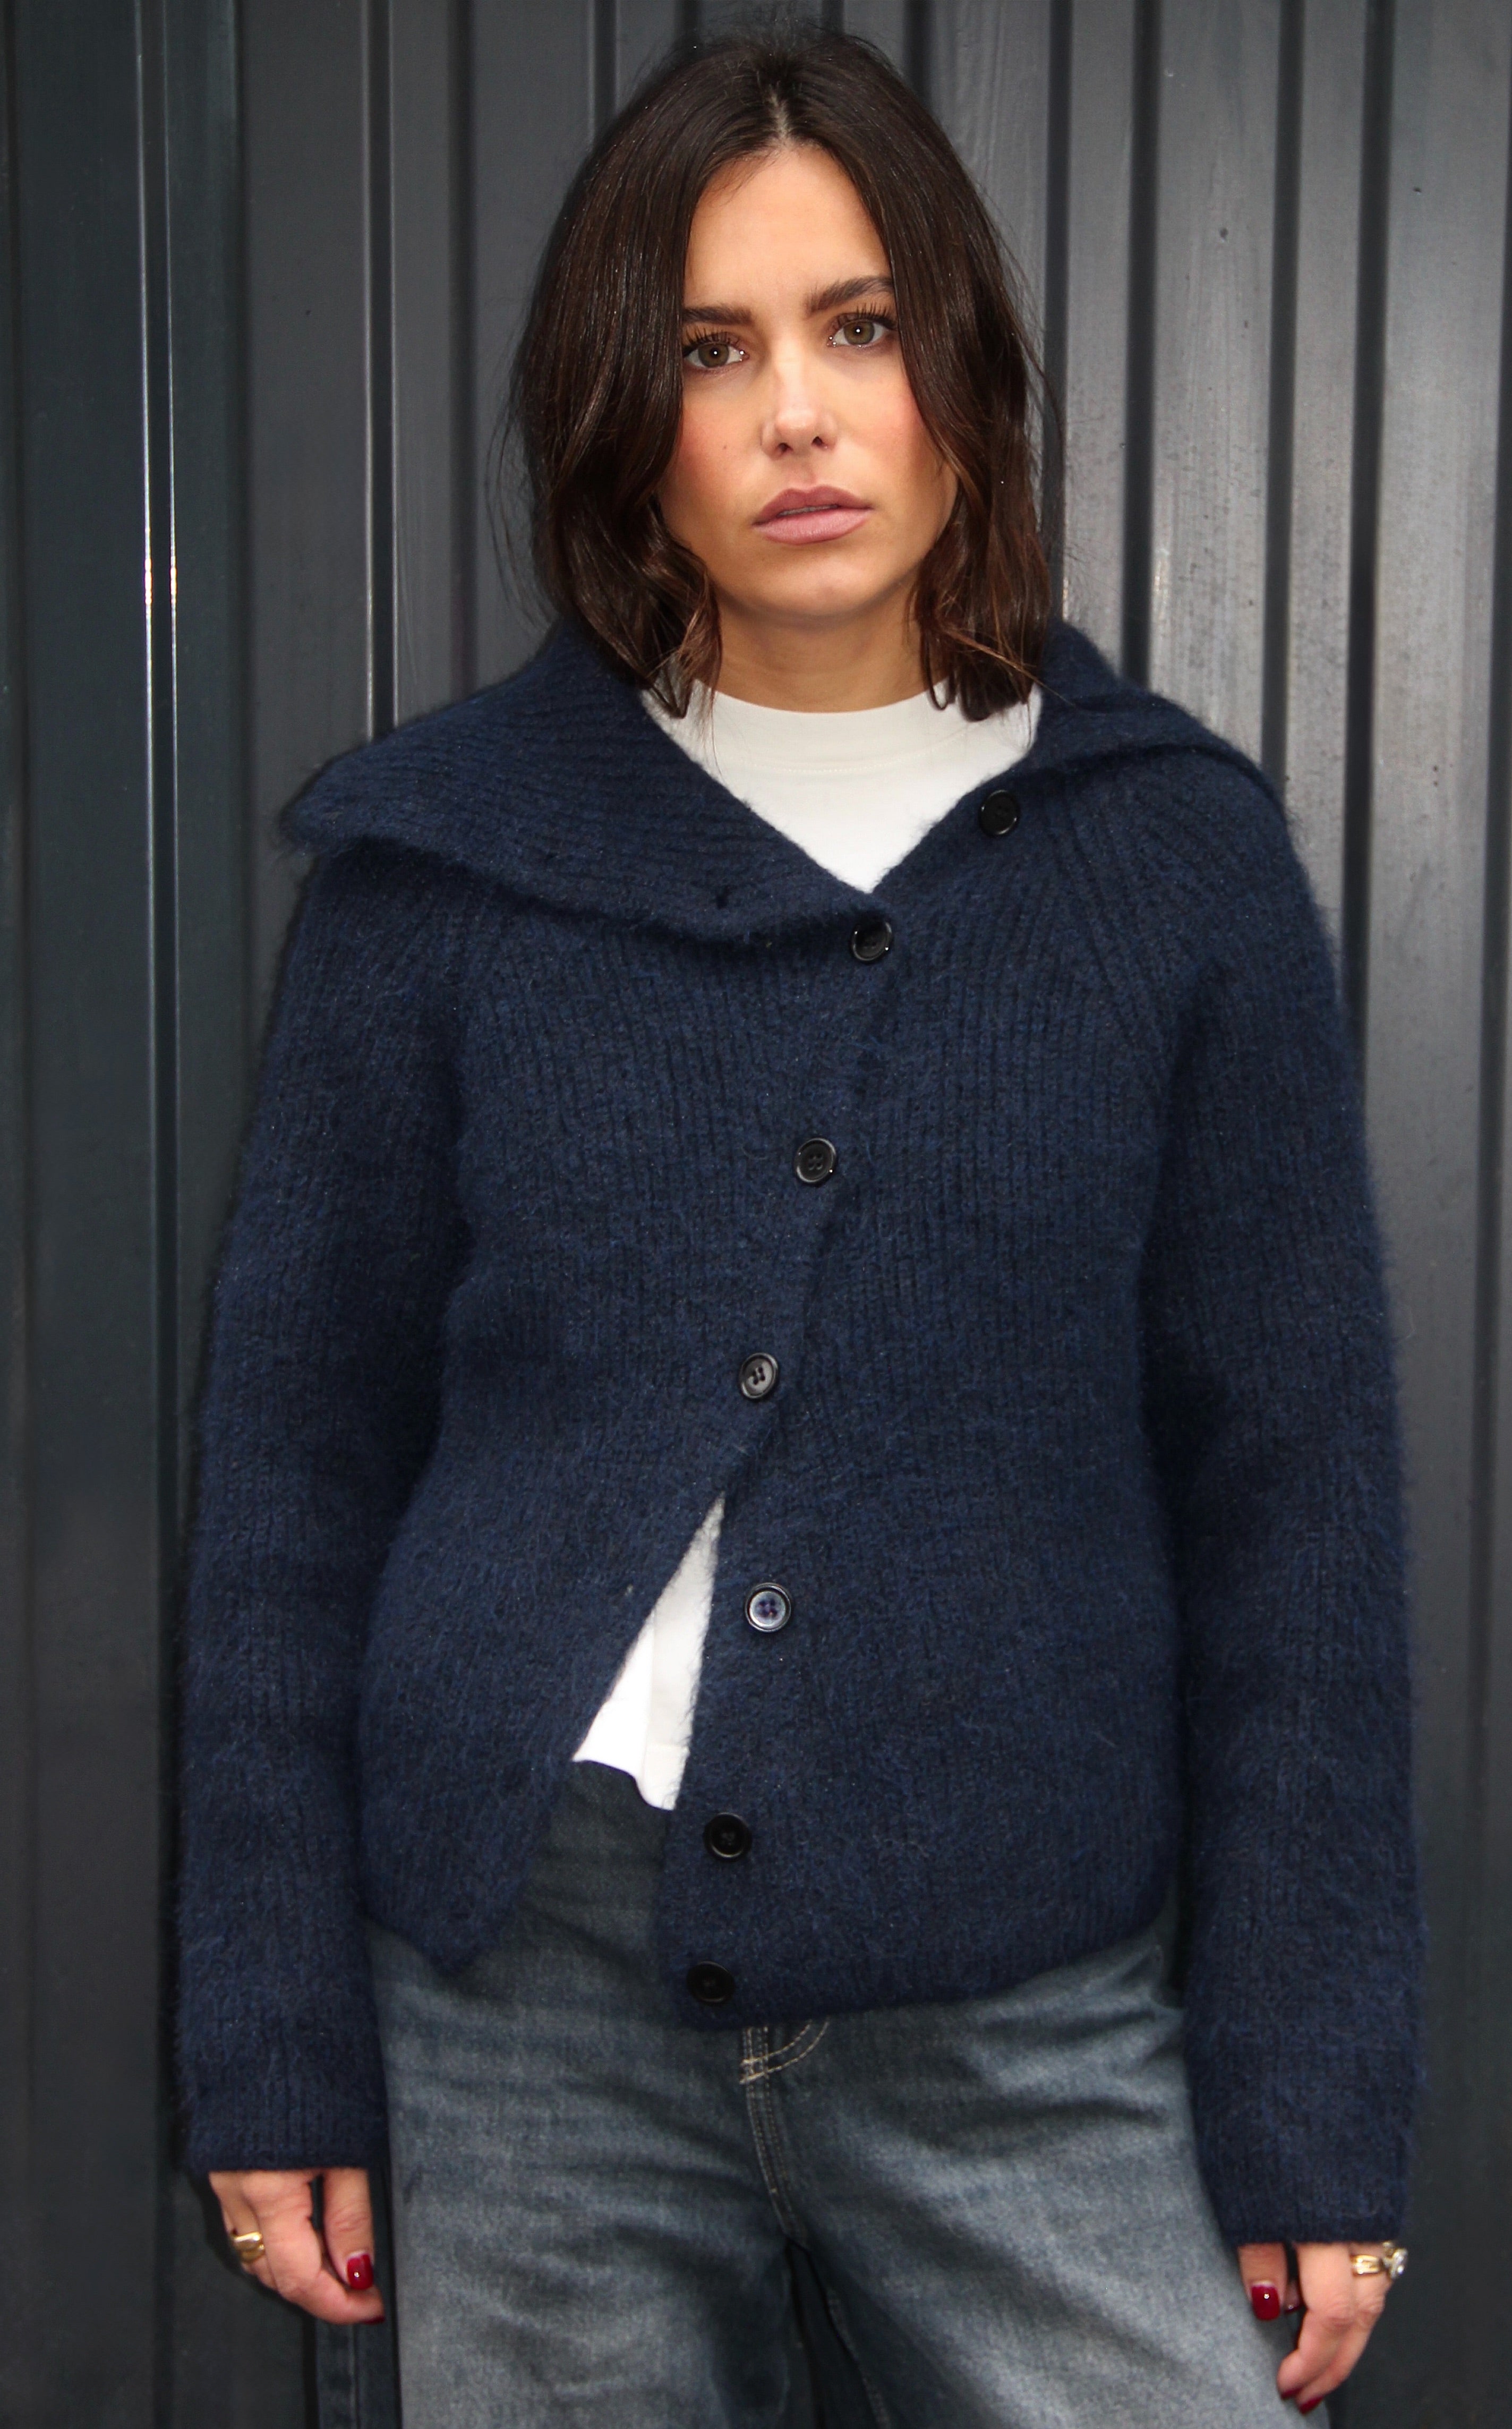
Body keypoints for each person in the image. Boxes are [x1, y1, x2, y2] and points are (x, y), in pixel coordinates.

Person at [176, 23, 1423, 2425]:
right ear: (618, 417)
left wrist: (1311, 2100)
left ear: (960, 369)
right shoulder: (442, 870)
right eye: (710, 351)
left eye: (857, 327)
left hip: (1019, 1996)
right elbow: (293, 1473)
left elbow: (1299, 1508)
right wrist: (273, 2037)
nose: (798, 417)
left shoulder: (1170, 864)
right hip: (521, 1999)